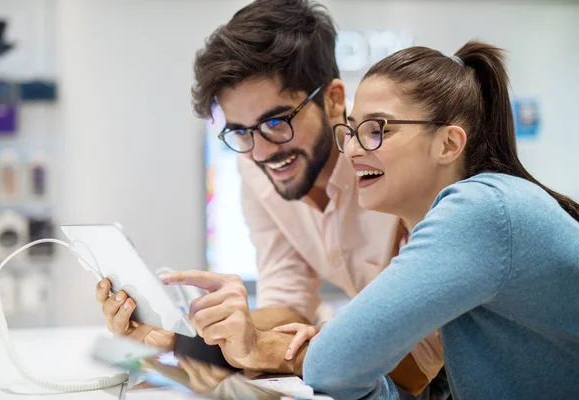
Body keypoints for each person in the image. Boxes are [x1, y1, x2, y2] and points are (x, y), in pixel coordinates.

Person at [172, 39, 579, 399]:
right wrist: (192, 337)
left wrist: (272, 349)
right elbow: (362, 375)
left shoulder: (480, 211)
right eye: (351, 131)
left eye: (375, 129)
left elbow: (336, 364)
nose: (351, 151)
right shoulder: (476, 211)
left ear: (448, 143)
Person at [95, 0, 445, 395]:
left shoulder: (398, 165)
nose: (261, 152)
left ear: (332, 100)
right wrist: (186, 338)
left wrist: (265, 349)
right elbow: (289, 298)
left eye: (276, 122)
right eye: (241, 132)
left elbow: (423, 365)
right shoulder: (258, 167)